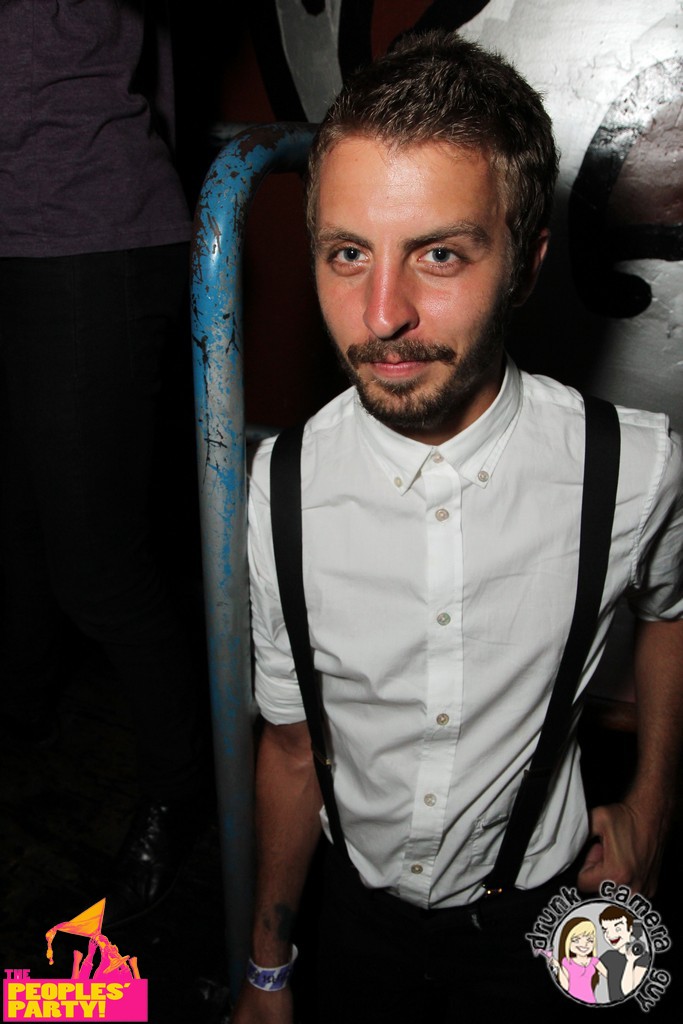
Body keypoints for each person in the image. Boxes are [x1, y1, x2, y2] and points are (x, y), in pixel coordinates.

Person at [236, 29, 683, 1021]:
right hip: (355, 915)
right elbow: (291, 749)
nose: (380, 315)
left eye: (437, 253)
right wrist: (267, 970)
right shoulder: (281, 488)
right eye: (347, 253)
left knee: (631, 1003)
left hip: (560, 900)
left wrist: (653, 803)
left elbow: (669, 611)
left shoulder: (635, 466)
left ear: (523, 265)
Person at [0, 0, 209, 923]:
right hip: (26, 229)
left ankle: (179, 789)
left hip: (83, 229)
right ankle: (23, 711)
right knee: (18, 523)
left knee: (97, 565)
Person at [599, 906, 650, 1001]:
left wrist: (630, 961)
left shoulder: (643, 957)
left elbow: (628, 992)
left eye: (617, 929)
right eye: (605, 930)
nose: (610, 935)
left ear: (630, 929)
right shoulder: (608, 956)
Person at [552, 917, 607, 1004]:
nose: (584, 944)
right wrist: (558, 967)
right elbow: (565, 987)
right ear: (567, 941)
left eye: (590, 940)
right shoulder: (567, 962)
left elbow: (610, 976)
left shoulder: (594, 961)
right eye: (576, 940)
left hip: (590, 1001)